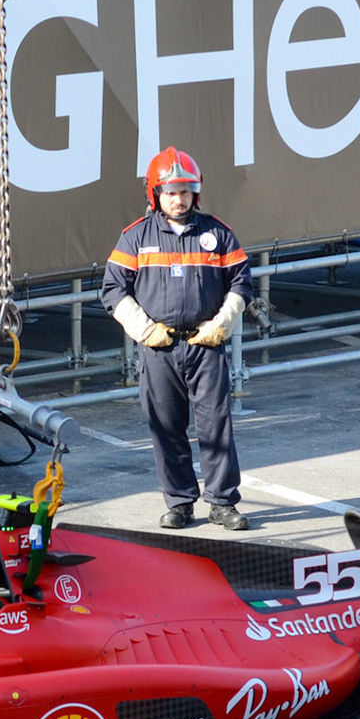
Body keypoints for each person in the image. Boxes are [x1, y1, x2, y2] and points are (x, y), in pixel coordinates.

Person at [100, 147, 253, 531]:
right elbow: (112, 291)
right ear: (155, 195)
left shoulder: (218, 234)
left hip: (206, 345)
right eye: (170, 192)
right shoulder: (134, 238)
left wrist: (222, 322)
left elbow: (241, 282)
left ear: (195, 194)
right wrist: (146, 331)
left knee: (216, 427)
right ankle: (180, 503)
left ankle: (222, 502)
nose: (178, 199)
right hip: (159, 349)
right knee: (166, 427)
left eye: (185, 191)